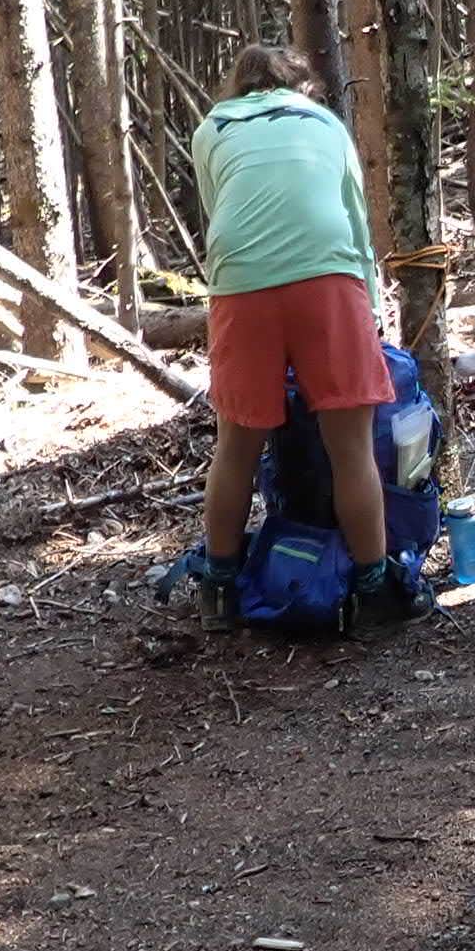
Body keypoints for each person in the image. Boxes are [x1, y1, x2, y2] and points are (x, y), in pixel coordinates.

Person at [188, 44, 429, 627]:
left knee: (237, 445)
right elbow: (353, 216)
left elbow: (217, 210)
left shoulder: (213, 127)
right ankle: (374, 588)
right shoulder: (324, 123)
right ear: (302, 88)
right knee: (351, 449)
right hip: (329, 274)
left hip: (242, 282)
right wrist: (368, 307)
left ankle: (219, 590)